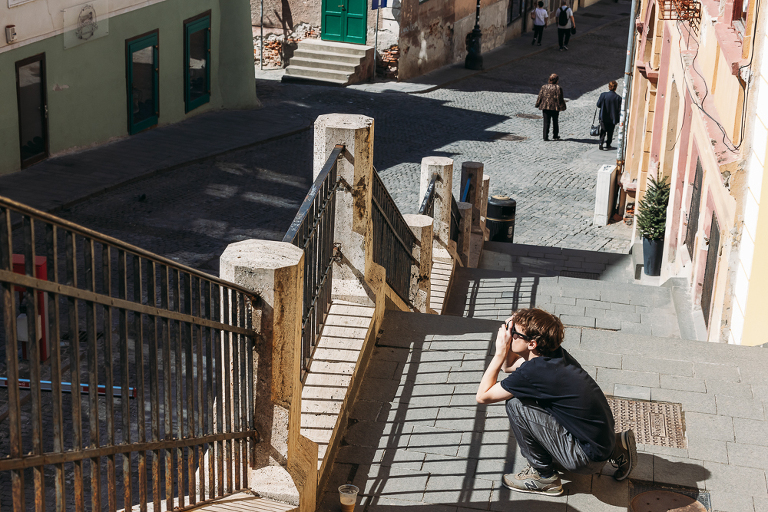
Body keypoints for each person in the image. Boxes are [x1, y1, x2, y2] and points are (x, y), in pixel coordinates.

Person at [476, 308, 637, 496]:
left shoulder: (533, 372)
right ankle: (616, 446)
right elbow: (509, 367)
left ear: (532, 344)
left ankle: (544, 477)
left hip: (586, 460)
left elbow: (483, 396)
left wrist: (499, 352)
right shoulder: (553, 354)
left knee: (515, 404)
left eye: (513, 333)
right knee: (520, 393)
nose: (508, 334)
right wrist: (513, 334)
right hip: (600, 440)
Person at [535, 73, 567, 141]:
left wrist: (537, 104)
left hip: (545, 107)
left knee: (546, 122)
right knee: (555, 121)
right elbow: (560, 98)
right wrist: (562, 107)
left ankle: (545, 136)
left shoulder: (544, 87)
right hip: (554, 108)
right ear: (557, 81)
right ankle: (555, 135)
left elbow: (540, 96)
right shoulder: (558, 88)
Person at [597, 80, 622, 150]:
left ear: (609, 87)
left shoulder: (603, 95)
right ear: (615, 88)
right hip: (612, 118)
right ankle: (608, 144)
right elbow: (620, 110)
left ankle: (601, 143)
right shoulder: (618, 98)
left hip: (603, 116)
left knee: (603, 130)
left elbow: (598, 105)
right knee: (610, 132)